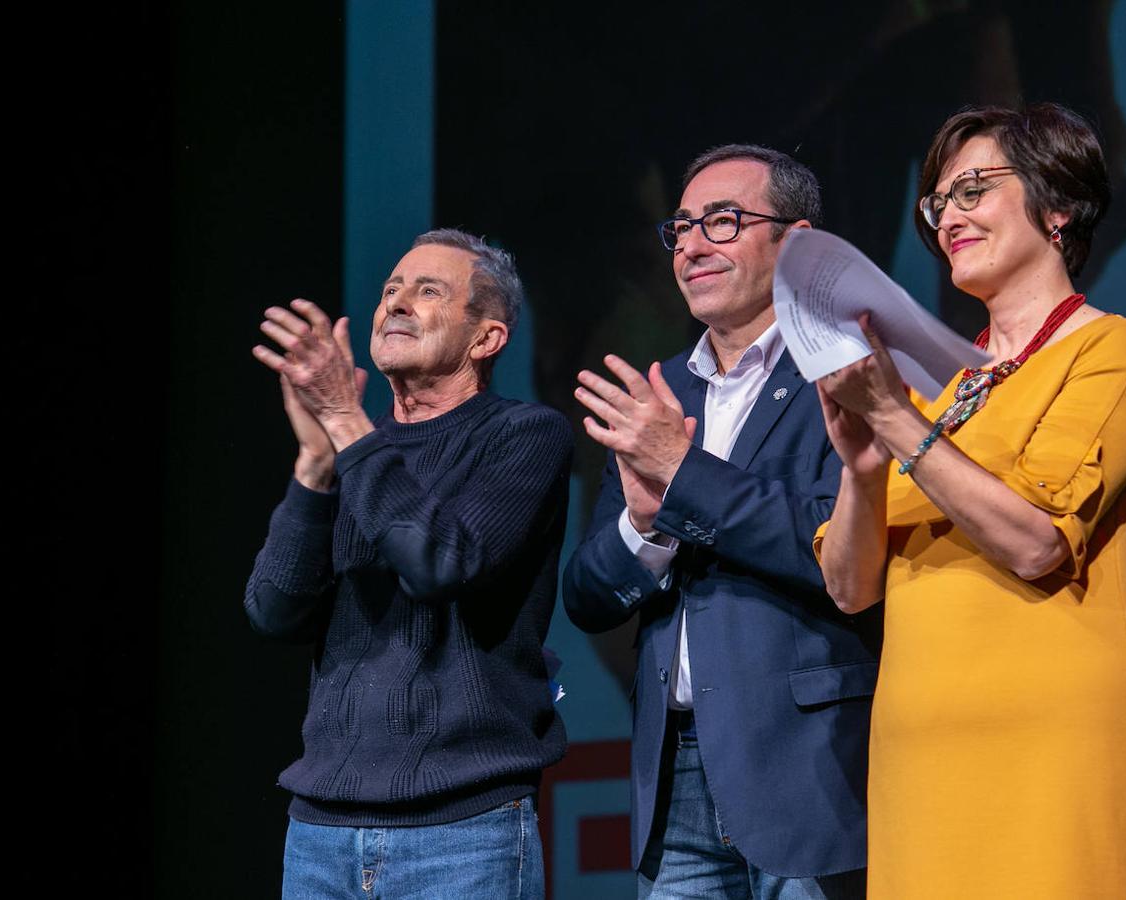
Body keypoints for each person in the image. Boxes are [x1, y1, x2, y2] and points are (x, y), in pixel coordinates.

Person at [816, 103, 1126, 899]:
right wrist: (863, 467)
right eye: (937, 203)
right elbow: (849, 587)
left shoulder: (1114, 349)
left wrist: (895, 420)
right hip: (922, 751)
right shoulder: (940, 396)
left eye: (974, 190)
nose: (949, 217)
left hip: (1058, 741)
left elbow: (1036, 544)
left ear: (1057, 208)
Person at [564, 145, 878, 899]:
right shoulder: (662, 392)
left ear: (795, 242)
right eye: (681, 229)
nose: (693, 246)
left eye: (724, 222)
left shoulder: (850, 371)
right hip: (673, 779)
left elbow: (835, 550)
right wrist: (645, 526)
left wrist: (683, 475)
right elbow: (587, 597)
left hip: (807, 770)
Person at [245, 228, 571, 900]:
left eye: (428, 292)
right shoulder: (353, 451)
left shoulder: (524, 435)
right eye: (390, 290)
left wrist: (343, 421)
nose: (395, 304)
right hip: (319, 832)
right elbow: (273, 610)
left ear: (487, 338)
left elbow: (440, 562)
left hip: (462, 831)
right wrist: (314, 466)